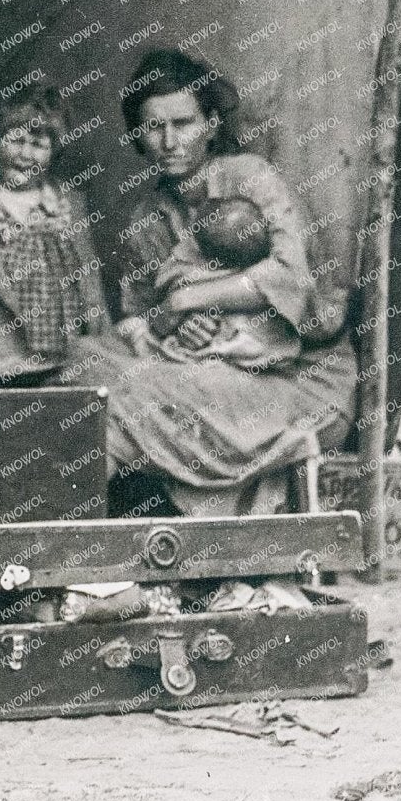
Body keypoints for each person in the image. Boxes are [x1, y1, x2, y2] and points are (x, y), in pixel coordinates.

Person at [62, 47, 354, 518]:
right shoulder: (146, 218)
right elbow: (141, 317)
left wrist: (190, 298)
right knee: (83, 362)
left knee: (121, 400)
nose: (169, 141)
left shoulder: (250, 180)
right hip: (205, 367)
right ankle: (80, 529)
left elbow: (290, 276)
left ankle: (88, 534)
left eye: (183, 123)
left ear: (212, 125)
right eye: (154, 127)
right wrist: (174, 326)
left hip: (295, 379)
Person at [0, 90, 116, 382]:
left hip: (68, 351)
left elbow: (91, 285)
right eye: (16, 140)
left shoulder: (67, 201)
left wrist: (101, 342)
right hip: (3, 351)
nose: (26, 155)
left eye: (38, 144)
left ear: (53, 150)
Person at [128, 194, 299, 371]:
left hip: (228, 324)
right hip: (217, 327)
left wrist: (183, 302)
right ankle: (232, 345)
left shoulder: (186, 268)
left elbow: (286, 278)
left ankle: (225, 345)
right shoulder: (190, 264)